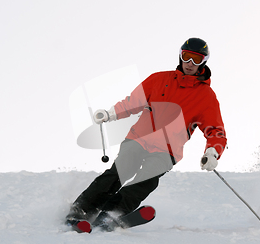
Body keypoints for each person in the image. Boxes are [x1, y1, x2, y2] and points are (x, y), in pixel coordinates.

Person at [65, 38, 227, 230]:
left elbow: (215, 130)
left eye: (196, 59)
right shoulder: (159, 79)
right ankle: (82, 209)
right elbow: (133, 102)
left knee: (147, 180)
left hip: (168, 150)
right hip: (139, 138)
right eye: (187, 57)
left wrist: (212, 153)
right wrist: (110, 114)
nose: (190, 63)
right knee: (119, 172)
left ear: (203, 62)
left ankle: (112, 212)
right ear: (180, 56)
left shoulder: (205, 96)